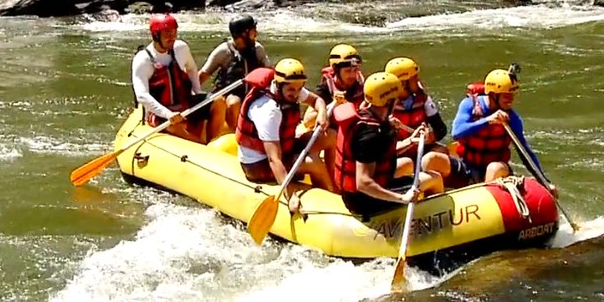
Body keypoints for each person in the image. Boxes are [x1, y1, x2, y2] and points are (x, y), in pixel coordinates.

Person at [332, 72, 444, 218]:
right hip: (365, 201)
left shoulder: (367, 115)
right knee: (434, 178)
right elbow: (363, 183)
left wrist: (410, 140)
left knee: (406, 163)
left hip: (358, 193)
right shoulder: (370, 135)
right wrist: (402, 198)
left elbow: (380, 154)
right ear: (388, 101)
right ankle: (433, 217)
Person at [236, 58, 335, 211]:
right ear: (279, 85)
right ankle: (330, 201)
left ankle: (334, 184)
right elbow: (273, 159)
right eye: (291, 90)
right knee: (313, 162)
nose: (296, 94)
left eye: (299, 88)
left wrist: (322, 113)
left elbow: (317, 100)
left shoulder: (289, 88)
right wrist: (290, 194)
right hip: (258, 164)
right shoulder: (268, 111)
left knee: (331, 137)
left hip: (284, 146)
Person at [448, 65, 557, 192]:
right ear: (493, 95)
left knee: (494, 168)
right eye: (506, 96)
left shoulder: (512, 119)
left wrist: (545, 181)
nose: (511, 100)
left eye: (512, 95)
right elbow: (457, 132)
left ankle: (486, 200)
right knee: (434, 158)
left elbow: (525, 153)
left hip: (496, 168)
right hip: (468, 164)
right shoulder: (469, 105)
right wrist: (487, 121)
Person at [131, 13, 226, 144]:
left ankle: (212, 141)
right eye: (167, 34)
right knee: (173, 125)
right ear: (156, 35)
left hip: (184, 103)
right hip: (161, 112)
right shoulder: (143, 60)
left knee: (218, 101)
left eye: (174, 32)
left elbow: (192, 69)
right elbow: (142, 95)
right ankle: (201, 146)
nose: (172, 37)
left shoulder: (181, 48)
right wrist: (167, 113)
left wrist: (197, 92)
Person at [199, 14, 272, 132]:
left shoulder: (258, 49)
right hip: (229, 94)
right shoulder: (224, 51)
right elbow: (203, 75)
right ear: (244, 35)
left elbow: (270, 72)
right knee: (234, 102)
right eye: (253, 31)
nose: (256, 34)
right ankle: (234, 133)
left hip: (252, 93)